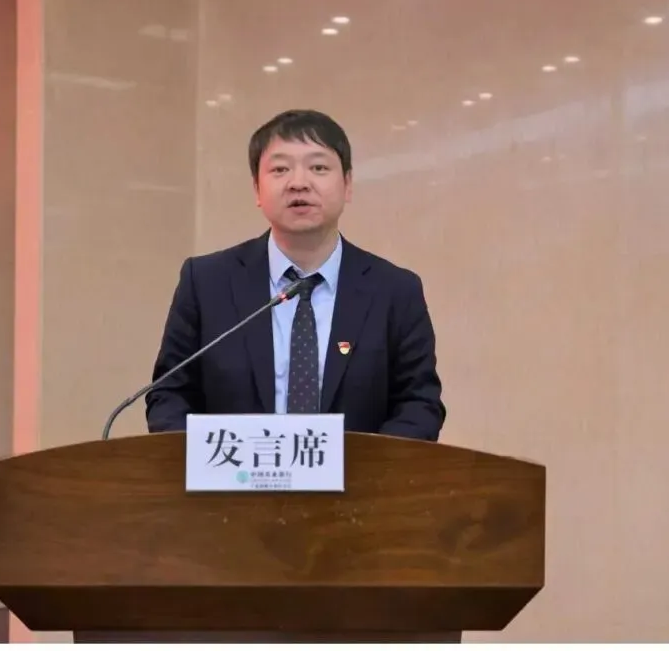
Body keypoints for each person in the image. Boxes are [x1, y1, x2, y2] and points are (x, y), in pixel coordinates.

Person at [145, 109, 446, 441]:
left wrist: (364, 467)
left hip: (361, 475)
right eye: (280, 169)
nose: (298, 183)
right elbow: (169, 395)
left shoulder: (395, 290)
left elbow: (419, 404)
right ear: (257, 189)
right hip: (233, 473)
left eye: (318, 168)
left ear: (347, 184)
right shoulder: (206, 282)